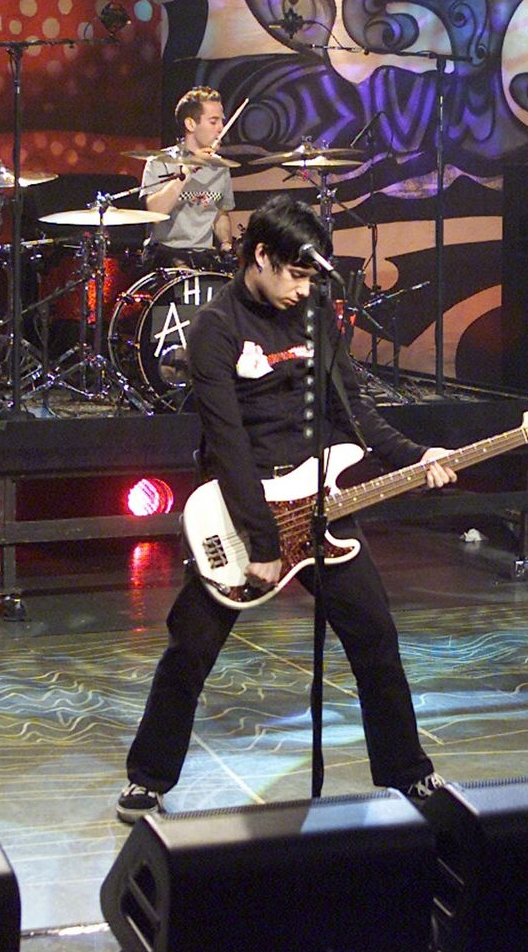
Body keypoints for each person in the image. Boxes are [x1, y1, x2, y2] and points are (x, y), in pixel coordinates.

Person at [116, 195, 456, 821]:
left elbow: (353, 406)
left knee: (376, 639)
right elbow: (227, 443)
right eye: (296, 274)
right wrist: (264, 542)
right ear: (261, 257)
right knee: (190, 647)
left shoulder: (315, 313)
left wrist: (415, 455)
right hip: (243, 509)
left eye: (310, 277)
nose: (303, 289)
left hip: (319, 500)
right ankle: (149, 777)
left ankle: (407, 772)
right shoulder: (215, 328)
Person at [139, 86, 236, 267]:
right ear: (190, 124)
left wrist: (226, 245)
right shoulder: (161, 162)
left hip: (203, 257)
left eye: (221, 121)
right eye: (213, 122)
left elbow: (220, 213)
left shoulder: (220, 167)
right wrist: (189, 169)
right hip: (165, 255)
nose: (221, 128)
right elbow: (156, 212)